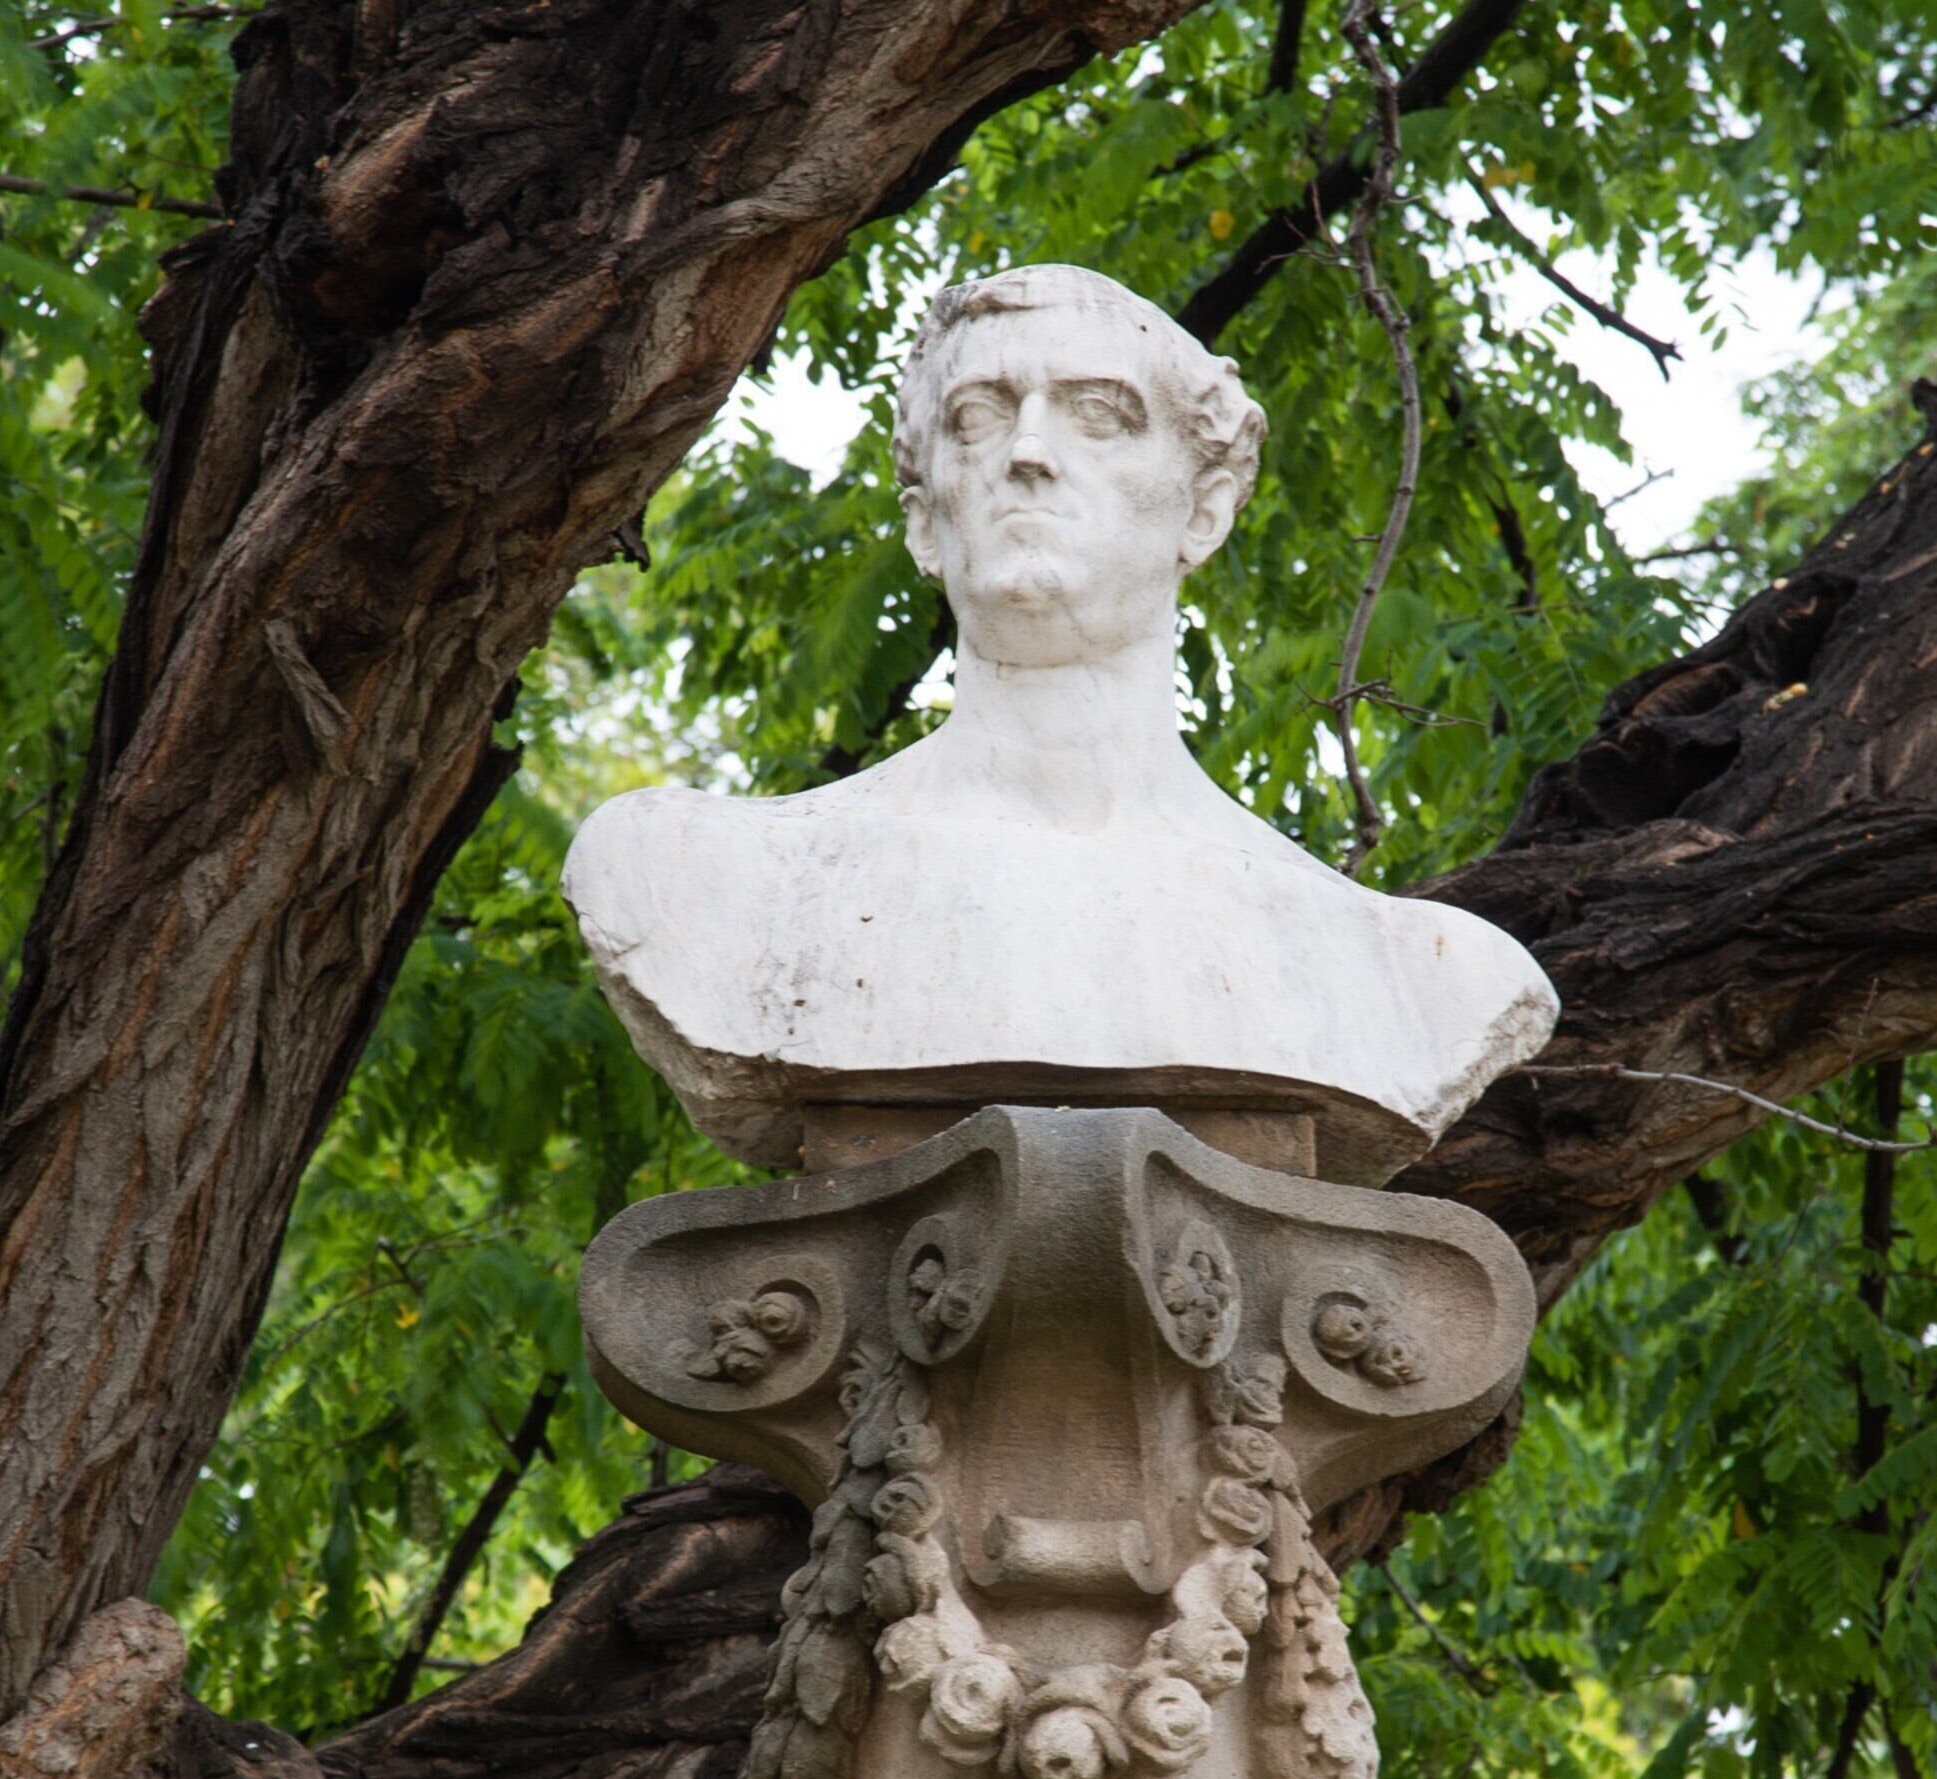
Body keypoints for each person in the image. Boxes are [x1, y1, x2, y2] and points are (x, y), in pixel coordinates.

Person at [565, 265, 1553, 1184]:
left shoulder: (1398, 973)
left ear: (1205, 507)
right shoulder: (708, 882)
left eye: (1098, 416)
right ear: (924, 517)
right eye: (978, 417)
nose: (1028, 454)